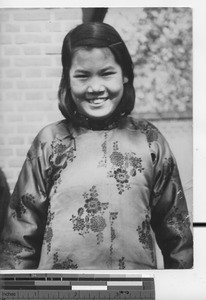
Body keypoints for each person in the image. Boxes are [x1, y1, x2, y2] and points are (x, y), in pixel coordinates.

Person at [0, 22, 193, 270]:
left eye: (106, 73)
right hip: (60, 292)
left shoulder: (149, 140)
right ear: (67, 79)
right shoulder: (50, 142)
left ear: (125, 74)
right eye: (82, 75)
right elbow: (18, 240)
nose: (95, 87)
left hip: (134, 291)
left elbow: (178, 237)